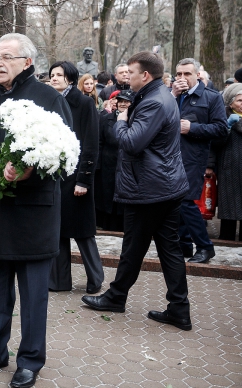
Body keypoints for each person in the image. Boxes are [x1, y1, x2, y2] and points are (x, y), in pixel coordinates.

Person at [0, 33, 72, 388]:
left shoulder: (49, 98)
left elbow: (67, 159)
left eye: (7, 56)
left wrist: (30, 171)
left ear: (27, 63)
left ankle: (31, 359)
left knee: (34, 295)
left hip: (33, 214)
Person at [81, 51, 192, 332]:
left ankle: (117, 297)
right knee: (167, 249)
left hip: (151, 189)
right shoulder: (159, 96)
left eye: (131, 72)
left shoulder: (154, 101)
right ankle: (178, 309)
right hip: (162, 185)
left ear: (145, 75)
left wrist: (121, 119)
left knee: (134, 248)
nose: (126, 76)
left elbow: (131, 142)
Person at [48, 61, 104, 294]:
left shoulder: (83, 103)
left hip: (77, 177)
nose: (54, 78)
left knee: (83, 232)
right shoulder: (49, 101)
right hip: (54, 176)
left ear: (70, 78)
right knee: (58, 231)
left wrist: (84, 180)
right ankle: (59, 282)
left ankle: (95, 279)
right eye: (52, 75)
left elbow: (91, 144)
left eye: (59, 75)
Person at [170, 58, 227, 263]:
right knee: (175, 202)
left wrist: (192, 128)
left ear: (197, 75)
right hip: (169, 157)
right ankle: (184, 245)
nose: (182, 78)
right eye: (179, 74)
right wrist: (172, 95)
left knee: (185, 201)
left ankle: (205, 247)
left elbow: (221, 129)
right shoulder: (171, 96)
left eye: (187, 74)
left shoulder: (211, 98)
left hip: (194, 158)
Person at [208, 83, 242, 242]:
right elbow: (215, 144)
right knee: (229, 212)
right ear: (230, 103)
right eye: (239, 100)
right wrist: (226, 128)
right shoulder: (223, 117)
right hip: (230, 170)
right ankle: (225, 243)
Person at [95, 90, 134, 232]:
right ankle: (107, 224)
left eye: (127, 101)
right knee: (107, 193)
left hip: (127, 163)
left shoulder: (135, 120)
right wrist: (97, 165)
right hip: (108, 163)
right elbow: (99, 142)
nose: (123, 104)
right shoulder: (105, 119)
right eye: (121, 101)